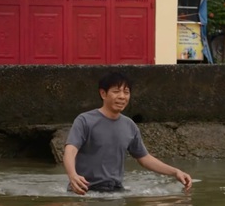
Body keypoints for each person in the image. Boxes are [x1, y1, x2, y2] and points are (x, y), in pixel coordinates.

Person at [63, 72, 192, 195]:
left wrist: (175, 172)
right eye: (116, 91)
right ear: (103, 93)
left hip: (115, 191)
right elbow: (70, 150)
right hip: (85, 190)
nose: (122, 96)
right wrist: (72, 175)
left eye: (126, 92)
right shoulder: (85, 120)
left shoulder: (129, 125)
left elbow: (145, 159)